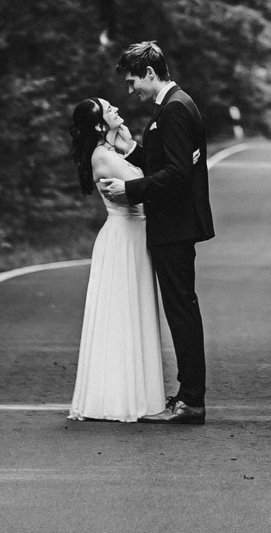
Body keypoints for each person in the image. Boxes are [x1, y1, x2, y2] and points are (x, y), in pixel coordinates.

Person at [98, 40, 212, 425]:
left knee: (181, 311)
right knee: (180, 309)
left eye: (134, 82)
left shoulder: (176, 108)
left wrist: (130, 190)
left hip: (175, 224)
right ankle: (186, 394)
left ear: (150, 73)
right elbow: (163, 162)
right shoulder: (173, 105)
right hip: (173, 223)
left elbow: (179, 174)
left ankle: (192, 400)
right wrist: (132, 150)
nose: (131, 92)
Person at [66, 97, 167, 422]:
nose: (118, 112)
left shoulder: (110, 153)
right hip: (124, 237)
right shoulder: (104, 159)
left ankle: (133, 393)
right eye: (110, 111)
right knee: (122, 313)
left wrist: (129, 145)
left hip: (133, 236)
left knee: (131, 311)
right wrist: (131, 149)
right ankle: (117, 397)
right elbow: (149, 183)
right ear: (98, 126)